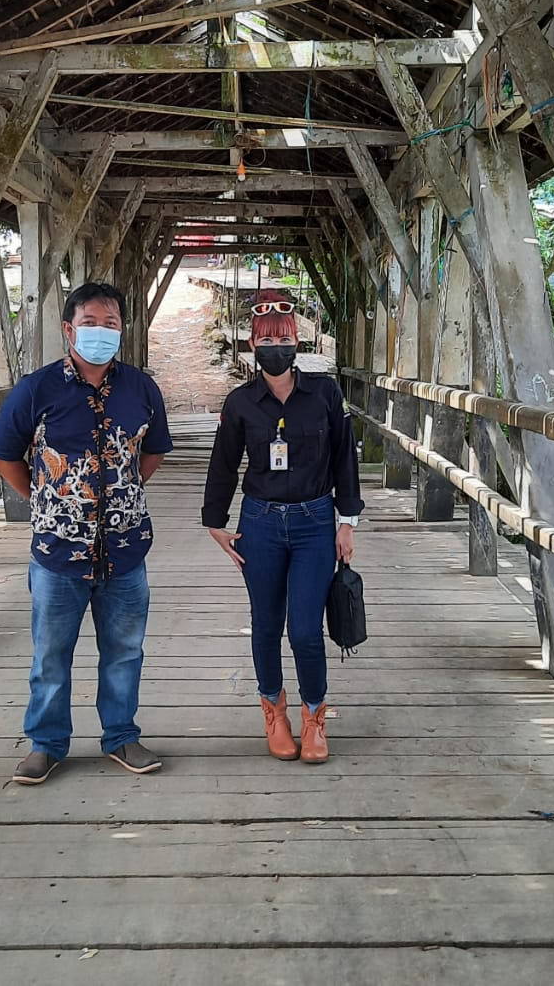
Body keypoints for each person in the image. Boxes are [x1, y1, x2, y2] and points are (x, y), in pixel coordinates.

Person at [0, 281, 173, 786]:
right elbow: (4, 457)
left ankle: (121, 736)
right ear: (69, 329)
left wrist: (121, 491)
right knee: (51, 653)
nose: (100, 332)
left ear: (123, 331)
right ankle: (45, 744)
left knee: (125, 650)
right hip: (58, 552)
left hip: (125, 549)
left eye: (110, 324)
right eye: (90, 322)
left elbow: (153, 451)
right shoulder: (36, 390)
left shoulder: (141, 388)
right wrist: (49, 500)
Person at [202, 292, 362, 764]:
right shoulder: (240, 403)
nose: (276, 344)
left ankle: (315, 716)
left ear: (299, 341)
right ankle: (274, 712)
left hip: (315, 521)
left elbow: (344, 458)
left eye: (284, 336)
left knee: (306, 630)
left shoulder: (326, 394)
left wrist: (347, 522)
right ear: (252, 343)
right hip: (261, 523)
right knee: (267, 624)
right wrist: (215, 522)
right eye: (267, 337)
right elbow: (224, 464)